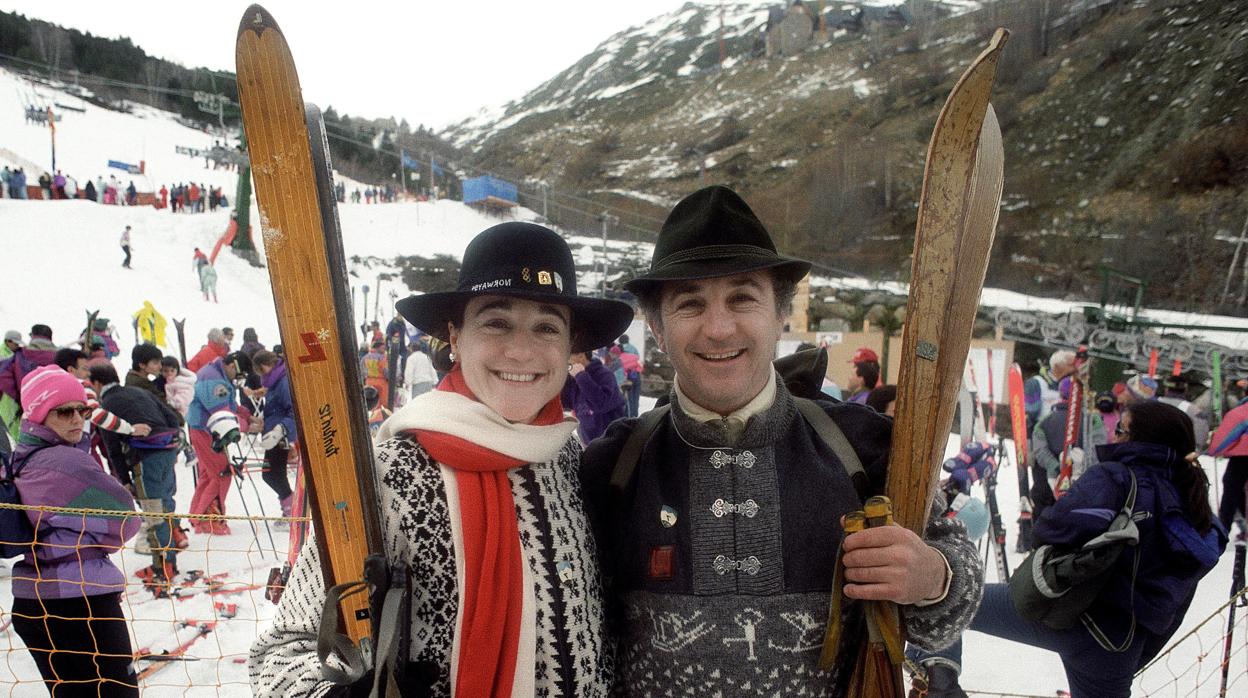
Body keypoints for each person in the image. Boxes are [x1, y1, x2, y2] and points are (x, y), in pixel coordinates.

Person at [579, 185, 981, 696]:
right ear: (657, 328)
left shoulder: (864, 446)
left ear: (781, 314)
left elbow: (951, 598)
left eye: (743, 297)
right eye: (690, 304)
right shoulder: (613, 466)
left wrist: (932, 576)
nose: (719, 328)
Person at [249, 221, 632, 695]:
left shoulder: (573, 461)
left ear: (571, 347)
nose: (521, 349)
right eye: (497, 321)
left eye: (547, 327)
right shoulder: (391, 472)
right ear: (455, 337)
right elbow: (279, 658)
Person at [915, 400, 1226, 698]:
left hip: (1068, 613)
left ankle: (942, 682)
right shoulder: (1194, 503)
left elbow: (1049, 530)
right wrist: (1134, 652)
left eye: (1120, 429)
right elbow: (1178, 595)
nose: (1112, 435)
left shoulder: (1116, 478)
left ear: (1141, 440)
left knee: (946, 598)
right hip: (1119, 645)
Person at [8, 366, 142, 696]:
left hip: (31, 603)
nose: (76, 420)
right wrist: (93, 535)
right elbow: (127, 520)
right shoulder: (68, 463)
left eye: (81, 410)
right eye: (64, 412)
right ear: (39, 414)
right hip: (82, 601)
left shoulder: (18, 459)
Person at [187, 352, 255, 534]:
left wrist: (246, 414)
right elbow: (222, 414)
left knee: (208, 474)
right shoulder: (213, 380)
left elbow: (229, 405)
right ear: (233, 366)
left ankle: (197, 515)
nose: (237, 380)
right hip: (208, 430)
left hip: (204, 428)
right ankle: (210, 519)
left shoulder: (215, 374)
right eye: (239, 376)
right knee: (221, 473)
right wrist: (246, 425)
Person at [252, 351, 296, 519]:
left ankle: (291, 510)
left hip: (280, 436)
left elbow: (293, 411)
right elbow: (275, 408)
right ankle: (289, 509)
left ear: (265, 366)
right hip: (273, 434)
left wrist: (280, 429)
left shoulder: (282, 382)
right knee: (274, 474)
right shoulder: (274, 381)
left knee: (271, 474)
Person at [564, 348, 628, 444]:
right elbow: (566, 402)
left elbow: (602, 404)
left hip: (612, 442)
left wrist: (581, 376)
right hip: (588, 440)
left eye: (568, 356)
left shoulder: (604, 374)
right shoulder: (573, 377)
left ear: (581, 355)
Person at [1024, 350, 1076, 434]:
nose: (1074, 368)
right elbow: (1031, 413)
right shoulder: (1036, 383)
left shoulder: (1073, 384)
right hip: (1042, 433)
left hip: (1066, 432)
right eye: (1070, 365)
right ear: (1057, 366)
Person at [360, 339, 390, 409]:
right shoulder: (382, 357)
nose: (384, 350)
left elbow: (361, 370)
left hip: (369, 382)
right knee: (385, 403)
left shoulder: (365, 358)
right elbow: (386, 371)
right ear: (377, 348)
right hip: (382, 382)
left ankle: (375, 417)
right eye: (383, 348)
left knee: (374, 404)